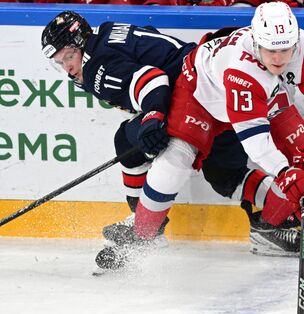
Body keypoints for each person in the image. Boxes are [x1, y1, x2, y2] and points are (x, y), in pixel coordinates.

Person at [96, 1, 304, 269]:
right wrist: (284, 172)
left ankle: (283, 224)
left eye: (285, 49)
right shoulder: (241, 66)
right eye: (271, 50)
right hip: (199, 96)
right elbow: (255, 139)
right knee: (174, 162)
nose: (279, 59)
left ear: (295, 40)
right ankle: (141, 235)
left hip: (263, 96)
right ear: (256, 40)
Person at [41, 12, 252, 250]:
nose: (68, 69)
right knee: (228, 176)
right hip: (213, 90)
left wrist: (153, 117)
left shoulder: (94, 66)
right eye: (60, 63)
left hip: (190, 101)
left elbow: (152, 80)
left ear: (81, 42)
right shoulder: (108, 32)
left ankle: (147, 229)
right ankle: (269, 222)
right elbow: (152, 43)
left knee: (127, 143)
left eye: (69, 57)